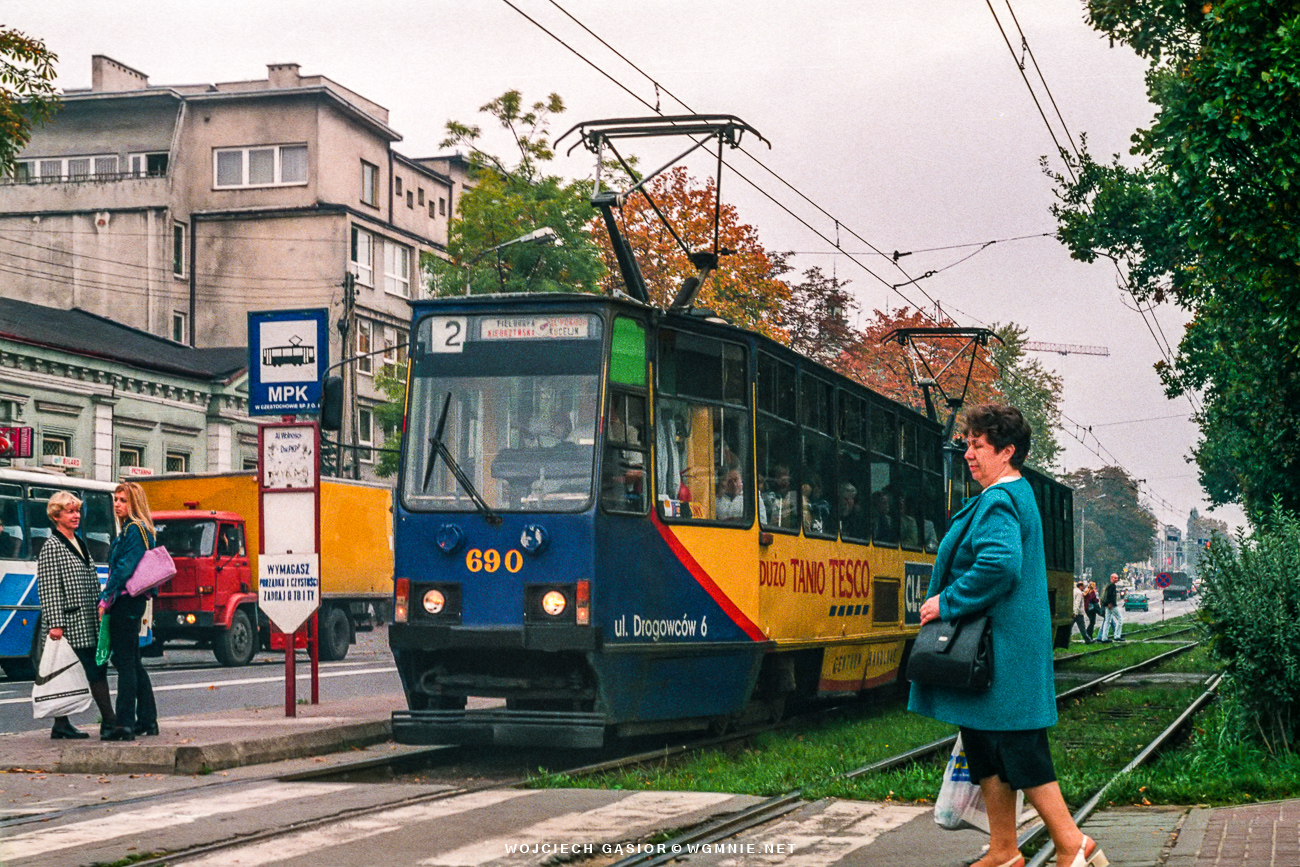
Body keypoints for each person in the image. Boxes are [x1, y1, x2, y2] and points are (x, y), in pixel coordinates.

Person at [909, 405, 1106, 867]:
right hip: (999, 648)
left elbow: (999, 565)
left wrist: (947, 601)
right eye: (968, 444)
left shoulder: (1000, 499)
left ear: (1007, 451)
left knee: (1017, 747)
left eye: (978, 445)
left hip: (1000, 650)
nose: (968, 454)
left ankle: (1071, 842)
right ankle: (1003, 850)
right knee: (984, 745)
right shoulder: (1010, 494)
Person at [35, 492, 117, 739]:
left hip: (88, 619)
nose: (76, 516)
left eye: (77, 511)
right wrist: (56, 624)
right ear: (56, 515)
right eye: (70, 511)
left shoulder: (78, 542)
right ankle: (110, 721)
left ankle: (61, 725)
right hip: (68, 624)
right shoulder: (52, 546)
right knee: (91, 670)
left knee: (81, 670)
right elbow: (48, 588)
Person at [99, 481, 159, 741]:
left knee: (124, 662)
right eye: (115, 499)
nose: (117, 504)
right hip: (133, 601)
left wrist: (105, 599)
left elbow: (123, 569)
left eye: (123, 500)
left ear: (134, 503)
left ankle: (124, 724)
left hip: (126, 601)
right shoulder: (134, 530)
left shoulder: (134, 530)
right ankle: (147, 720)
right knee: (131, 661)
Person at [1097, 573, 1124, 643]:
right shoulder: (1112, 586)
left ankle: (1104, 638)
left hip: (1107, 605)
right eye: (1115, 578)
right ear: (1111, 578)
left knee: (1107, 621)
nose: (1117, 579)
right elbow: (1110, 595)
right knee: (1120, 619)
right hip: (1112, 605)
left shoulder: (1108, 585)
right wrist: (1110, 603)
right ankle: (1117, 636)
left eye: (1117, 578)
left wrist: (1106, 603)